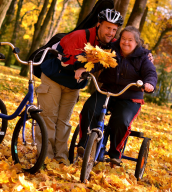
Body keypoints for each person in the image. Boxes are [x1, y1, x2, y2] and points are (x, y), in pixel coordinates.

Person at [35, 9, 124, 164]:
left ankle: (60, 156)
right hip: (53, 78)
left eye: (114, 29)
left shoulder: (110, 44)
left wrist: (146, 55)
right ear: (99, 25)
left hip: (73, 85)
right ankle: (45, 157)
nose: (111, 32)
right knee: (49, 118)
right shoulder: (79, 36)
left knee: (63, 121)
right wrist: (83, 63)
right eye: (108, 27)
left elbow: (130, 47)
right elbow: (65, 60)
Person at [74, 26, 157, 165]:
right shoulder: (111, 50)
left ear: (136, 42)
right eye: (123, 39)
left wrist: (149, 83)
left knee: (121, 120)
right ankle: (85, 143)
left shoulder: (143, 57)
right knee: (89, 107)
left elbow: (151, 73)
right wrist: (85, 68)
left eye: (130, 40)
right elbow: (98, 63)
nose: (125, 42)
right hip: (108, 91)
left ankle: (115, 153)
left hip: (130, 96)